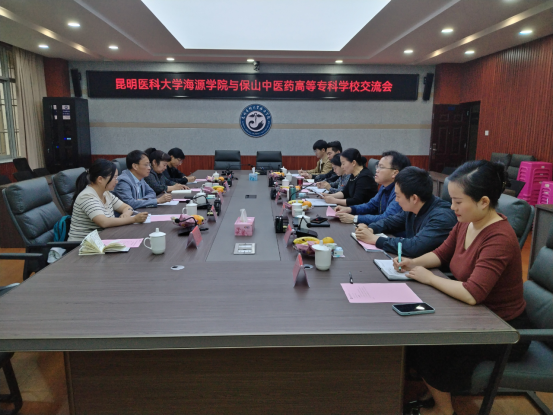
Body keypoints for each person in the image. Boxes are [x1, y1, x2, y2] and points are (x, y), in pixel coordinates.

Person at [396, 160, 531, 415]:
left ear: (483, 202)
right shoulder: (466, 222)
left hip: (501, 329)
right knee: (415, 334)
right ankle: (436, 391)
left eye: (458, 201)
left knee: (426, 346)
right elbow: (441, 253)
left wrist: (429, 278)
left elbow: (472, 294)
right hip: (473, 315)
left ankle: (444, 410)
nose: (452, 207)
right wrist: (413, 262)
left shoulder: (499, 238)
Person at [355, 166, 456, 257]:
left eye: (398, 196)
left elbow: (415, 247)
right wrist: (371, 229)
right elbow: (391, 221)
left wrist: (375, 239)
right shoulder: (414, 207)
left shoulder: (442, 217)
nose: (396, 200)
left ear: (414, 198)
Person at [68, 159, 149, 241]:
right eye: (114, 177)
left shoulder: (106, 193)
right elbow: (104, 222)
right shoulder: (87, 196)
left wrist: (126, 214)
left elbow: (127, 207)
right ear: (100, 179)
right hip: (83, 244)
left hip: (104, 238)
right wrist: (133, 219)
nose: (117, 181)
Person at [335, 151, 410, 225]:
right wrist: (350, 209)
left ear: (395, 173)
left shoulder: (400, 192)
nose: (377, 170)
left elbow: (386, 218)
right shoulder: (384, 186)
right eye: (377, 166)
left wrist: (355, 218)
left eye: (381, 167)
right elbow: (371, 205)